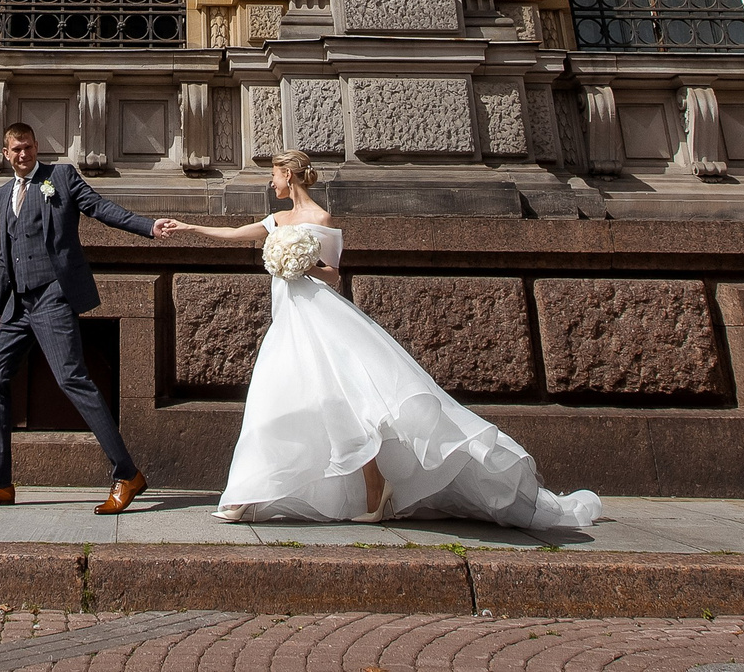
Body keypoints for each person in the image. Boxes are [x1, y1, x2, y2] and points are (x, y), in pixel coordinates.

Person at [163, 150, 602, 531]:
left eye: (274, 175)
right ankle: (255, 492)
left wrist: (303, 264)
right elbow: (232, 234)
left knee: (347, 403)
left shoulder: (322, 221)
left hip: (320, 318)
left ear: (289, 175)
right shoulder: (276, 220)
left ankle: (364, 490)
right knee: (285, 400)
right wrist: (188, 227)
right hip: (288, 322)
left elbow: (333, 277)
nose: (271, 183)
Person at [0, 122, 181, 515]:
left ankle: (127, 474)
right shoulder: (3, 193)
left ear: (36, 146)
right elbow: (6, 255)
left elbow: (100, 208)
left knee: (72, 378)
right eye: (16, 149)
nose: (23, 154)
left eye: (28, 147)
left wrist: (147, 226)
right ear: (5, 154)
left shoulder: (60, 177)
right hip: (18, 305)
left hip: (53, 296)